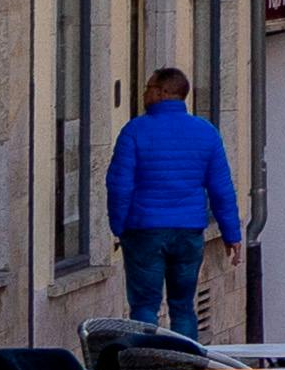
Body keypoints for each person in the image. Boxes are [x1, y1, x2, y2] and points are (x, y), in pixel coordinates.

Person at [98, 67, 244, 343]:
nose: (144, 93)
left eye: (148, 88)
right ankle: (183, 365)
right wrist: (232, 234)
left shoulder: (135, 131)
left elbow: (119, 185)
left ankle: (144, 364)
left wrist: (118, 226)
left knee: (144, 306)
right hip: (188, 230)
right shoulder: (206, 133)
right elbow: (221, 188)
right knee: (183, 305)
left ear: (162, 92)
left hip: (144, 230)